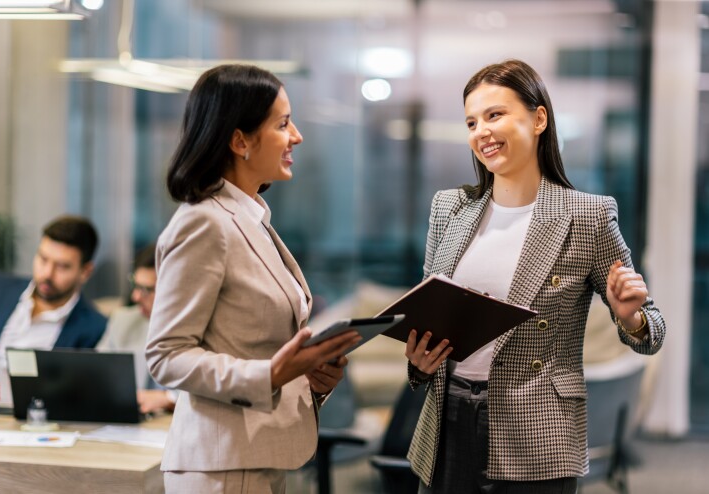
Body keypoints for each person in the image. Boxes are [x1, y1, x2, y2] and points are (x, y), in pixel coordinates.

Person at [404, 59, 667, 494]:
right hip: (447, 422)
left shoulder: (588, 216)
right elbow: (429, 314)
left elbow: (652, 332)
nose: (481, 132)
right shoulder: (448, 208)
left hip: (538, 431)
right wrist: (419, 362)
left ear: (539, 118)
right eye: (471, 121)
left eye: (494, 115)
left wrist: (630, 317)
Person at [145, 64, 361, 493]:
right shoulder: (204, 224)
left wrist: (312, 374)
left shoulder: (251, 219)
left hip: (257, 457)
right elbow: (166, 355)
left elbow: (255, 343)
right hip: (222, 466)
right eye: (282, 124)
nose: (296, 136)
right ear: (239, 140)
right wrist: (270, 375)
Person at [0, 215, 106, 358]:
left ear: (85, 272)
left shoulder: (94, 329)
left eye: (62, 266)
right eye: (43, 259)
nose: (47, 273)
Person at [97, 243, 176, 414]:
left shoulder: (202, 331)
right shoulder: (123, 321)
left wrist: (168, 398)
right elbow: (95, 376)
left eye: (147, 289)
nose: (136, 296)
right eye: (136, 285)